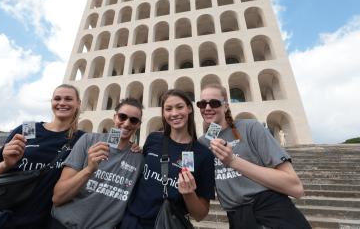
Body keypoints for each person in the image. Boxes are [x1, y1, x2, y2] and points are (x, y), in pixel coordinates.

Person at [0, 84, 85, 229]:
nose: (62, 103)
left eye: (68, 99)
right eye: (57, 98)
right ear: (51, 102)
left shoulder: (80, 140)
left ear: (78, 103)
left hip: (29, 220)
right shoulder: (29, 129)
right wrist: (6, 164)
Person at [197, 84, 311, 229]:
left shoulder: (250, 127)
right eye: (202, 104)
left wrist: (232, 161)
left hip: (273, 212)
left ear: (225, 106)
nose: (207, 108)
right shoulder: (203, 142)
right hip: (238, 218)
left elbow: (296, 188)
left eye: (214, 103)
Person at [119, 89, 215, 229]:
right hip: (131, 220)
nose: (174, 113)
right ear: (163, 113)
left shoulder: (203, 155)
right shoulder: (153, 139)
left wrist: (189, 194)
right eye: (168, 109)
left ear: (189, 109)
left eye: (179, 107)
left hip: (165, 224)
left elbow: (200, 215)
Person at [50, 98, 144, 229]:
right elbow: (58, 197)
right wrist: (89, 170)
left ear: (138, 125)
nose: (127, 123)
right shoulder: (89, 140)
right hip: (63, 224)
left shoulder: (139, 158)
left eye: (133, 120)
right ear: (114, 117)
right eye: (122, 117)